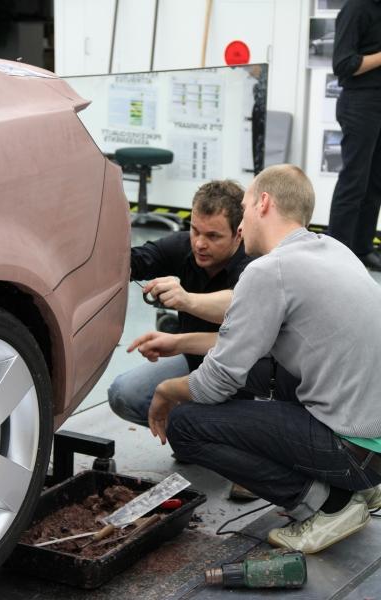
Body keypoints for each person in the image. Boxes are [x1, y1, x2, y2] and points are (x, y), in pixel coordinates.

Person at [130, 164, 381, 554]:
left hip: (354, 452)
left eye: (244, 207)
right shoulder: (332, 249)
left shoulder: (270, 270)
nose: (242, 223)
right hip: (373, 447)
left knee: (185, 424)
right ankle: (359, 490)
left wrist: (165, 390)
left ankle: (329, 504)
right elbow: (249, 351)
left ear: (263, 203)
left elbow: (215, 383)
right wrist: (180, 344)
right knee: (260, 372)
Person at [108, 179, 253, 427]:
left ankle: (205, 433)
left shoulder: (254, 262)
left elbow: (242, 305)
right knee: (123, 394)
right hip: (194, 359)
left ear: (238, 234)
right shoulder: (186, 245)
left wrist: (186, 301)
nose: (199, 243)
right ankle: (194, 433)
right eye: (195, 230)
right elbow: (133, 261)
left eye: (213, 236)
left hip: (244, 374)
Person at [328, 0, 381, 271]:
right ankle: (336, 253)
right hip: (360, 103)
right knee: (354, 181)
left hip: (377, 101)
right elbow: (343, 64)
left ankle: (362, 248)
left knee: (375, 182)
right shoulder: (357, 8)